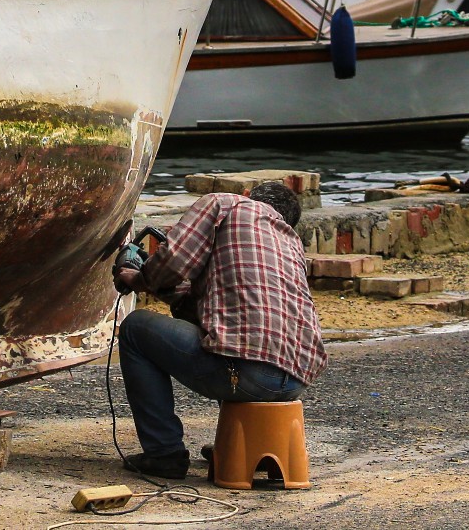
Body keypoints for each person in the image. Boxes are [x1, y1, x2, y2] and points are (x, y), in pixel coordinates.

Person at [111, 181, 327, 479]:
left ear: (248, 196)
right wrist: (171, 289)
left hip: (245, 372)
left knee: (135, 328)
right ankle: (250, 446)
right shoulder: (290, 243)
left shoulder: (224, 204)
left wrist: (140, 278)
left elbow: (173, 261)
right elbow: (209, 310)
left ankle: (164, 454)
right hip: (294, 382)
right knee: (234, 338)